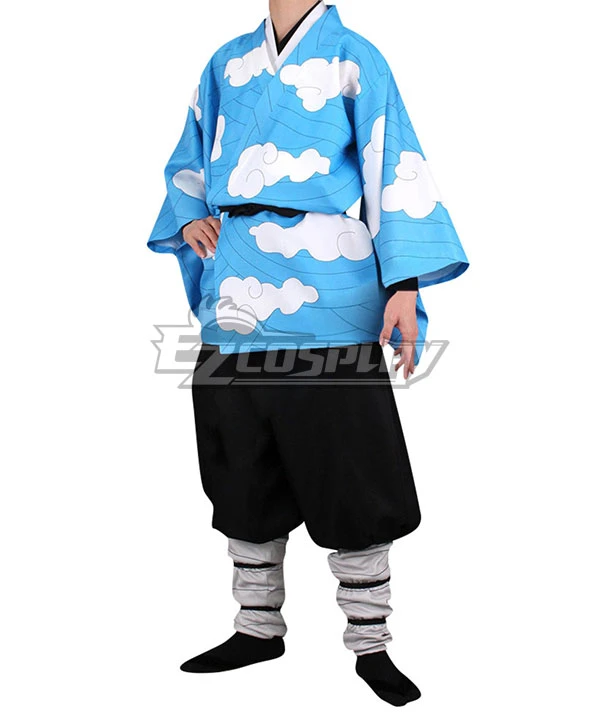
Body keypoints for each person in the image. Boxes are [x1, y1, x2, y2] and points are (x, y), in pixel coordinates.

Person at [146, 0, 469, 707]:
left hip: (330, 294)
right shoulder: (226, 62)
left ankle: (371, 643)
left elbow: (393, 163)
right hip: (236, 291)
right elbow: (189, 160)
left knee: (352, 470)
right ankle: (256, 627)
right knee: (240, 467)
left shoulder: (355, 59)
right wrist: (190, 216)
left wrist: (404, 285)